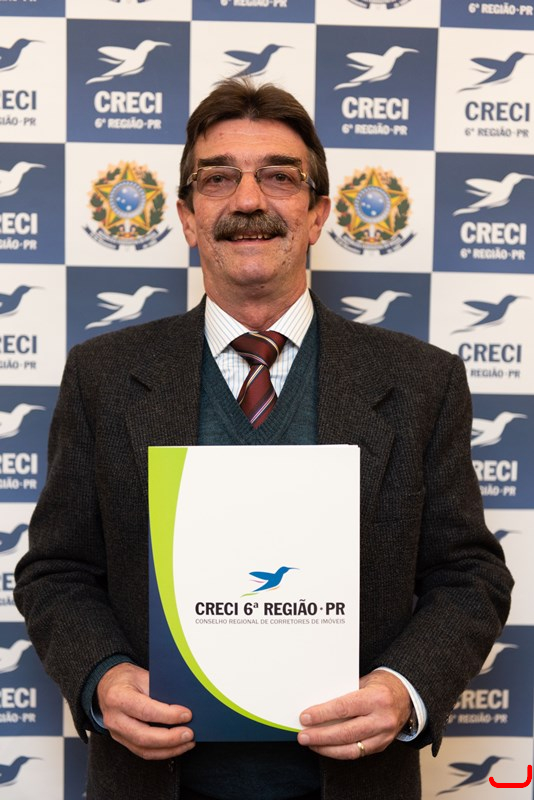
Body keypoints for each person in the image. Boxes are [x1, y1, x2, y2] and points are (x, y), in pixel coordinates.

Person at [15, 79, 513, 800]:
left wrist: (404, 689)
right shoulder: (104, 376)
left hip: (354, 784)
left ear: (318, 215)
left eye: (279, 176)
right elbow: (57, 571)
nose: (248, 199)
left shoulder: (421, 382)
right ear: (187, 218)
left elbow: (469, 576)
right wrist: (104, 678)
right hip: (153, 784)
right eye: (218, 178)